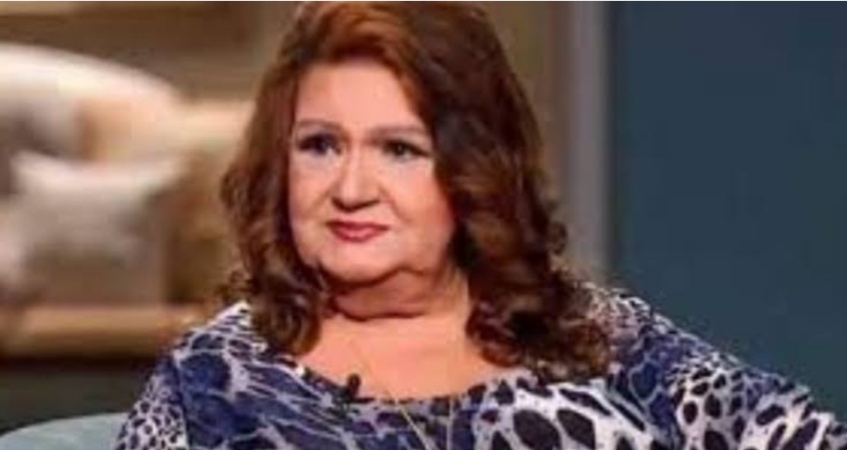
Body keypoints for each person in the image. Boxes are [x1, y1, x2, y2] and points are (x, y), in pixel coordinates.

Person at [115, 3, 846, 449]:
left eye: (399, 150)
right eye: (320, 146)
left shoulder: (591, 330)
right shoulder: (215, 377)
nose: (351, 189)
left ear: (471, 173)